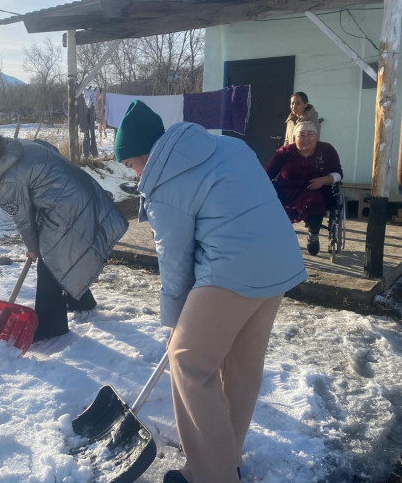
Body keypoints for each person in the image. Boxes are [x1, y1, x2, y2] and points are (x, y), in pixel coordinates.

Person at [113, 100, 307, 483]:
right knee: (242, 365)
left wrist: (175, 323)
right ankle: (226, 458)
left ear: (143, 155)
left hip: (233, 268)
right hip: (280, 262)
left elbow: (175, 262)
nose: (135, 175)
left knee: (187, 361)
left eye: (131, 165)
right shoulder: (229, 145)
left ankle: (209, 474)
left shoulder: (162, 179)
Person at [0, 131, 128, 342]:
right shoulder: (9, 150)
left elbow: (23, 219)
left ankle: (51, 328)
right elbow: (49, 149)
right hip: (79, 189)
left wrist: (32, 246)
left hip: (66, 205)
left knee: (49, 263)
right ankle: (81, 302)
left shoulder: (6, 180)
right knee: (63, 253)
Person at [266, 120, 343, 256]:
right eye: (301, 135)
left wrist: (324, 180)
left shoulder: (326, 150)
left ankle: (313, 234)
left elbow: (338, 174)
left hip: (316, 191)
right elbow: (267, 174)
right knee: (278, 207)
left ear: (317, 136)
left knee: (315, 200)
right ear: (295, 137)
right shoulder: (284, 152)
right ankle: (283, 239)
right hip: (287, 193)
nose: (306, 139)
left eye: (310, 134)